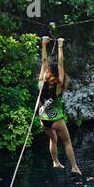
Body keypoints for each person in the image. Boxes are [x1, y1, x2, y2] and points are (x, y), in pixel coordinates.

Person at [38, 35, 87, 179]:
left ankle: (55, 162)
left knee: (53, 140)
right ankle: (74, 166)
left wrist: (44, 44)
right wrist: (60, 45)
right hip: (57, 119)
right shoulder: (58, 86)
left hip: (44, 118)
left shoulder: (41, 82)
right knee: (67, 142)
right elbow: (60, 65)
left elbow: (44, 61)